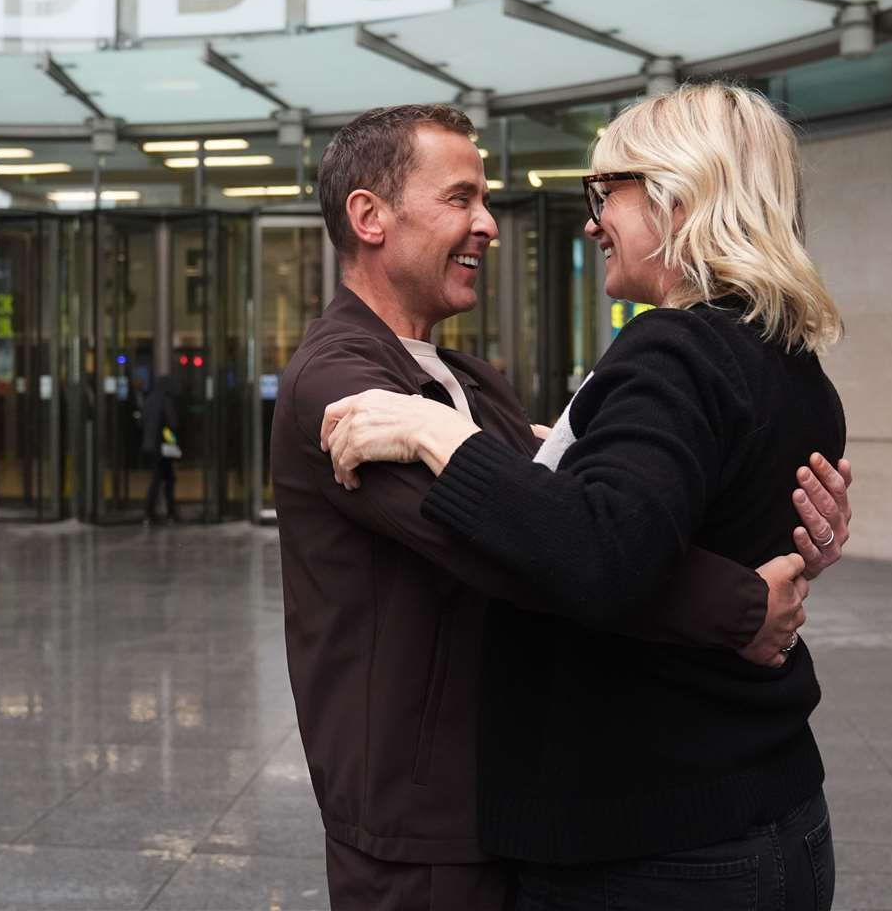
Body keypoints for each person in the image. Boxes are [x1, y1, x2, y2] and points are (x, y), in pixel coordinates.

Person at [272, 102, 852, 911]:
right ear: (369, 217)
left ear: (679, 197)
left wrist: (455, 437)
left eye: (601, 195)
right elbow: (540, 550)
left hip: (640, 817)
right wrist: (745, 600)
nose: (489, 225)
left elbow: (575, 529)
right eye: (461, 198)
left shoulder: (486, 381)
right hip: (426, 818)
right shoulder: (342, 385)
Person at [136, 370, 179, 524]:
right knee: (166, 479)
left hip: (150, 446)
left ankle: (153, 512)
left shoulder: (149, 400)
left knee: (160, 478)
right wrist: (173, 442)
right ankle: (167, 512)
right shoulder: (166, 400)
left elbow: (141, 423)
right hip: (162, 447)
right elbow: (171, 425)